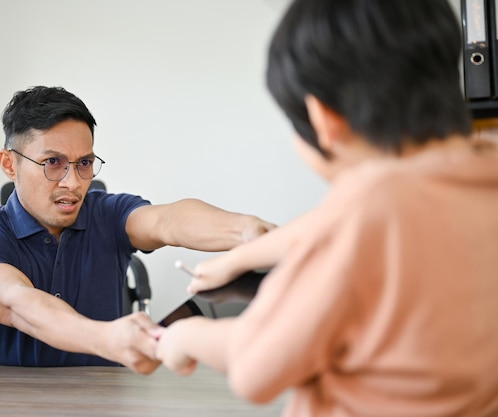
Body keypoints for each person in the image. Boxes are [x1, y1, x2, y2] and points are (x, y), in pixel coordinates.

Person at [154, 0, 498, 415]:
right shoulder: (479, 174)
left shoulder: (366, 210)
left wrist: (185, 337)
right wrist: (242, 255)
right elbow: (337, 228)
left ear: (323, 118)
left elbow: (256, 365)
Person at [0, 85, 275, 373]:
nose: (73, 183)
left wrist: (246, 231)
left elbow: (168, 220)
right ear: (9, 164)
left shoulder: (109, 214)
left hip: (103, 402)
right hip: (4, 405)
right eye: (52, 163)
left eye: (84, 163)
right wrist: (107, 338)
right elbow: (17, 303)